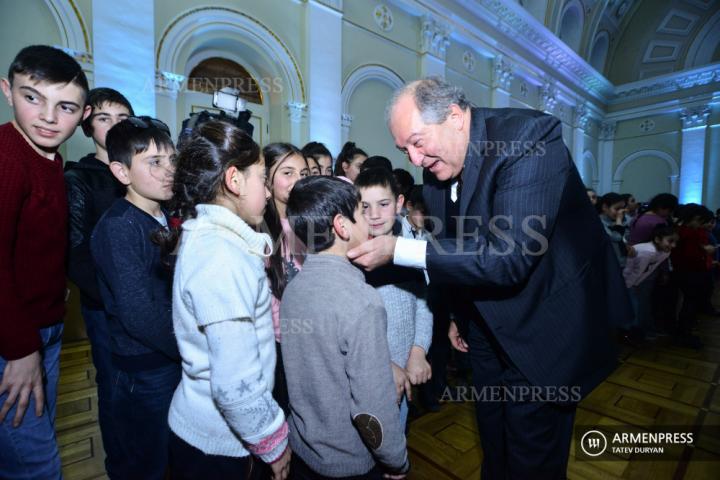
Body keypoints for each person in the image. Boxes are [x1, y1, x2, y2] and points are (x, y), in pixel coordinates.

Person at [348, 77, 628, 479]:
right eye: (403, 150)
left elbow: (509, 255)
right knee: (494, 444)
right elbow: (452, 244)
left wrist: (397, 250)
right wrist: (459, 316)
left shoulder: (529, 139)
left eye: (416, 142)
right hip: (483, 330)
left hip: (545, 327)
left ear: (455, 117)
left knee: (533, 457)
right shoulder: (438, 164)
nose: (414, 159)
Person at [160, 122, 290, 480]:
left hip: (214, 436)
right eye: (262, 179)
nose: (267, 192)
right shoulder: (220, 254)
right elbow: (234, 384)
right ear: (234, 181)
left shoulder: (217, 239)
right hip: (218, 446)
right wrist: (272, 443)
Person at [281, 175, 409, 479]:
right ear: (342, 226)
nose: (370, 219)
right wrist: (395, 459)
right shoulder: (362, 302)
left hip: (303, 449)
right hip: (349, 462)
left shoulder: (293, 288)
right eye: (362, 212)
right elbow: (372, 406)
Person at [0, 45, 90, 479]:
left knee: (26, 447)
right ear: (6, 90)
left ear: (82, 112)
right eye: (32, 97)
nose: (49, 117)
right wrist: (19, 350)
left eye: (66, 106)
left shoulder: (49, 159)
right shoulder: (6, 156)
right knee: (36, 465)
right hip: (14, 339)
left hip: (45, 333)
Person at [90, 116, 181, 479]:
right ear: (121, 171)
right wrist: (189, 348)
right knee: (147, 463)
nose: (168, 171)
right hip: (144, 370)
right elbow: (139, 314)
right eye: (154, 163)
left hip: (168, 360)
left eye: (172, 160)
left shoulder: (164, 215)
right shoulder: (119, 228)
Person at [64, 87, 133, 470]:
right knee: (113, 387)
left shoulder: (143, 172)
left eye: (122, 118)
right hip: (104, 307)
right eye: (104, 118)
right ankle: (120, 466)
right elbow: (76, 254)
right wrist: (115, 299)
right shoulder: (80, 178)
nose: (114, 126)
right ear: (89, 125)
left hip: (146, 304)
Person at [356, 168, 433, 431]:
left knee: (396, 437)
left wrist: (418, 351)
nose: (374, 215)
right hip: (369, 371)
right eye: (365, 206)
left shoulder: (408, 248)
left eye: (383, 204)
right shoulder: (352, 255)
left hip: (405, 370)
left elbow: (424, 303)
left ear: (399, 203)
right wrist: (384, 364)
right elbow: (349, 327)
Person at [262, 142, 309, 415]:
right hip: (278, 348)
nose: (298, 182)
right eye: (287, 173)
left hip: (309, 341)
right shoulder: (259, 230)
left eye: (303, 174)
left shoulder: (309, 223)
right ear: (266, 180)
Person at [623, 224, 678, 339]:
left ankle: (635, 332)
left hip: (634, 281)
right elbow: (635, 271)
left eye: (675, 242)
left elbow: (647, 270)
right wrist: (629, 286)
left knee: (638, 306)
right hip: (625, 279)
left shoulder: (665, 252)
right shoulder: (648, 252)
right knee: (634, 307)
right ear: (657, 239)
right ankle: (630, 333)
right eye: (670, 241)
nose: (673, 245)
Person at [597, 192, 636, 269]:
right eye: (617, 209)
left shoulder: (621, 219)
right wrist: (618, 220)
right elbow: (616, 237)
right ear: (605, 207)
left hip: (621, 261)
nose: (620, 212)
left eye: (622, 208)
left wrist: (627, 245)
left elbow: (625, 236)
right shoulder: (598, 222)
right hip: (607, 264)